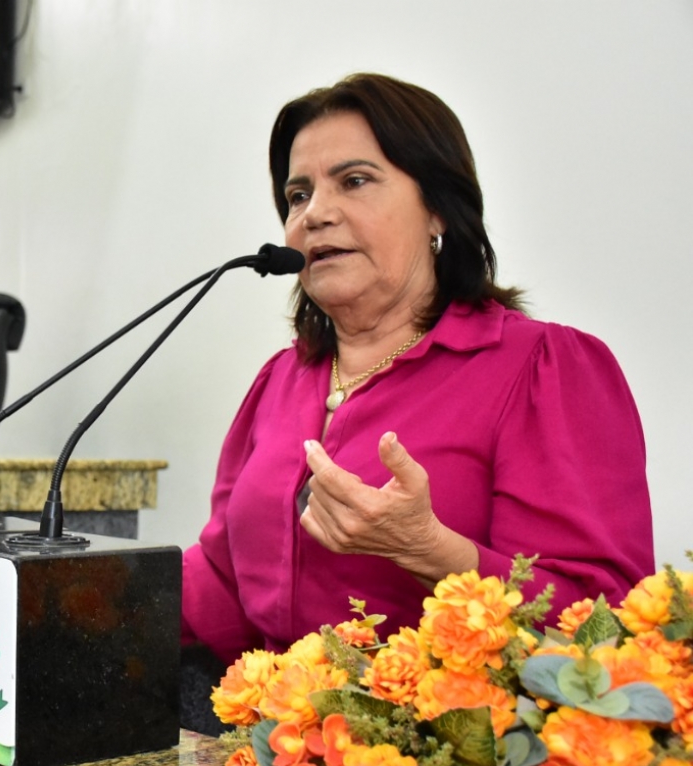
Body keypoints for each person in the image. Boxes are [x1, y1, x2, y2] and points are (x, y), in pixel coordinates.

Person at [180, 74, 653, 680]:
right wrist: (84, 595)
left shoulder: (542, 367)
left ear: (437, 209)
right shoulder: (281, 379)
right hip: (274, 729)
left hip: (451, 732)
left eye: (355, 181)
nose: (315, 214)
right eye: (298, 195)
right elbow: (221, 584)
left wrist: (430, 550)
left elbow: (605, 622)